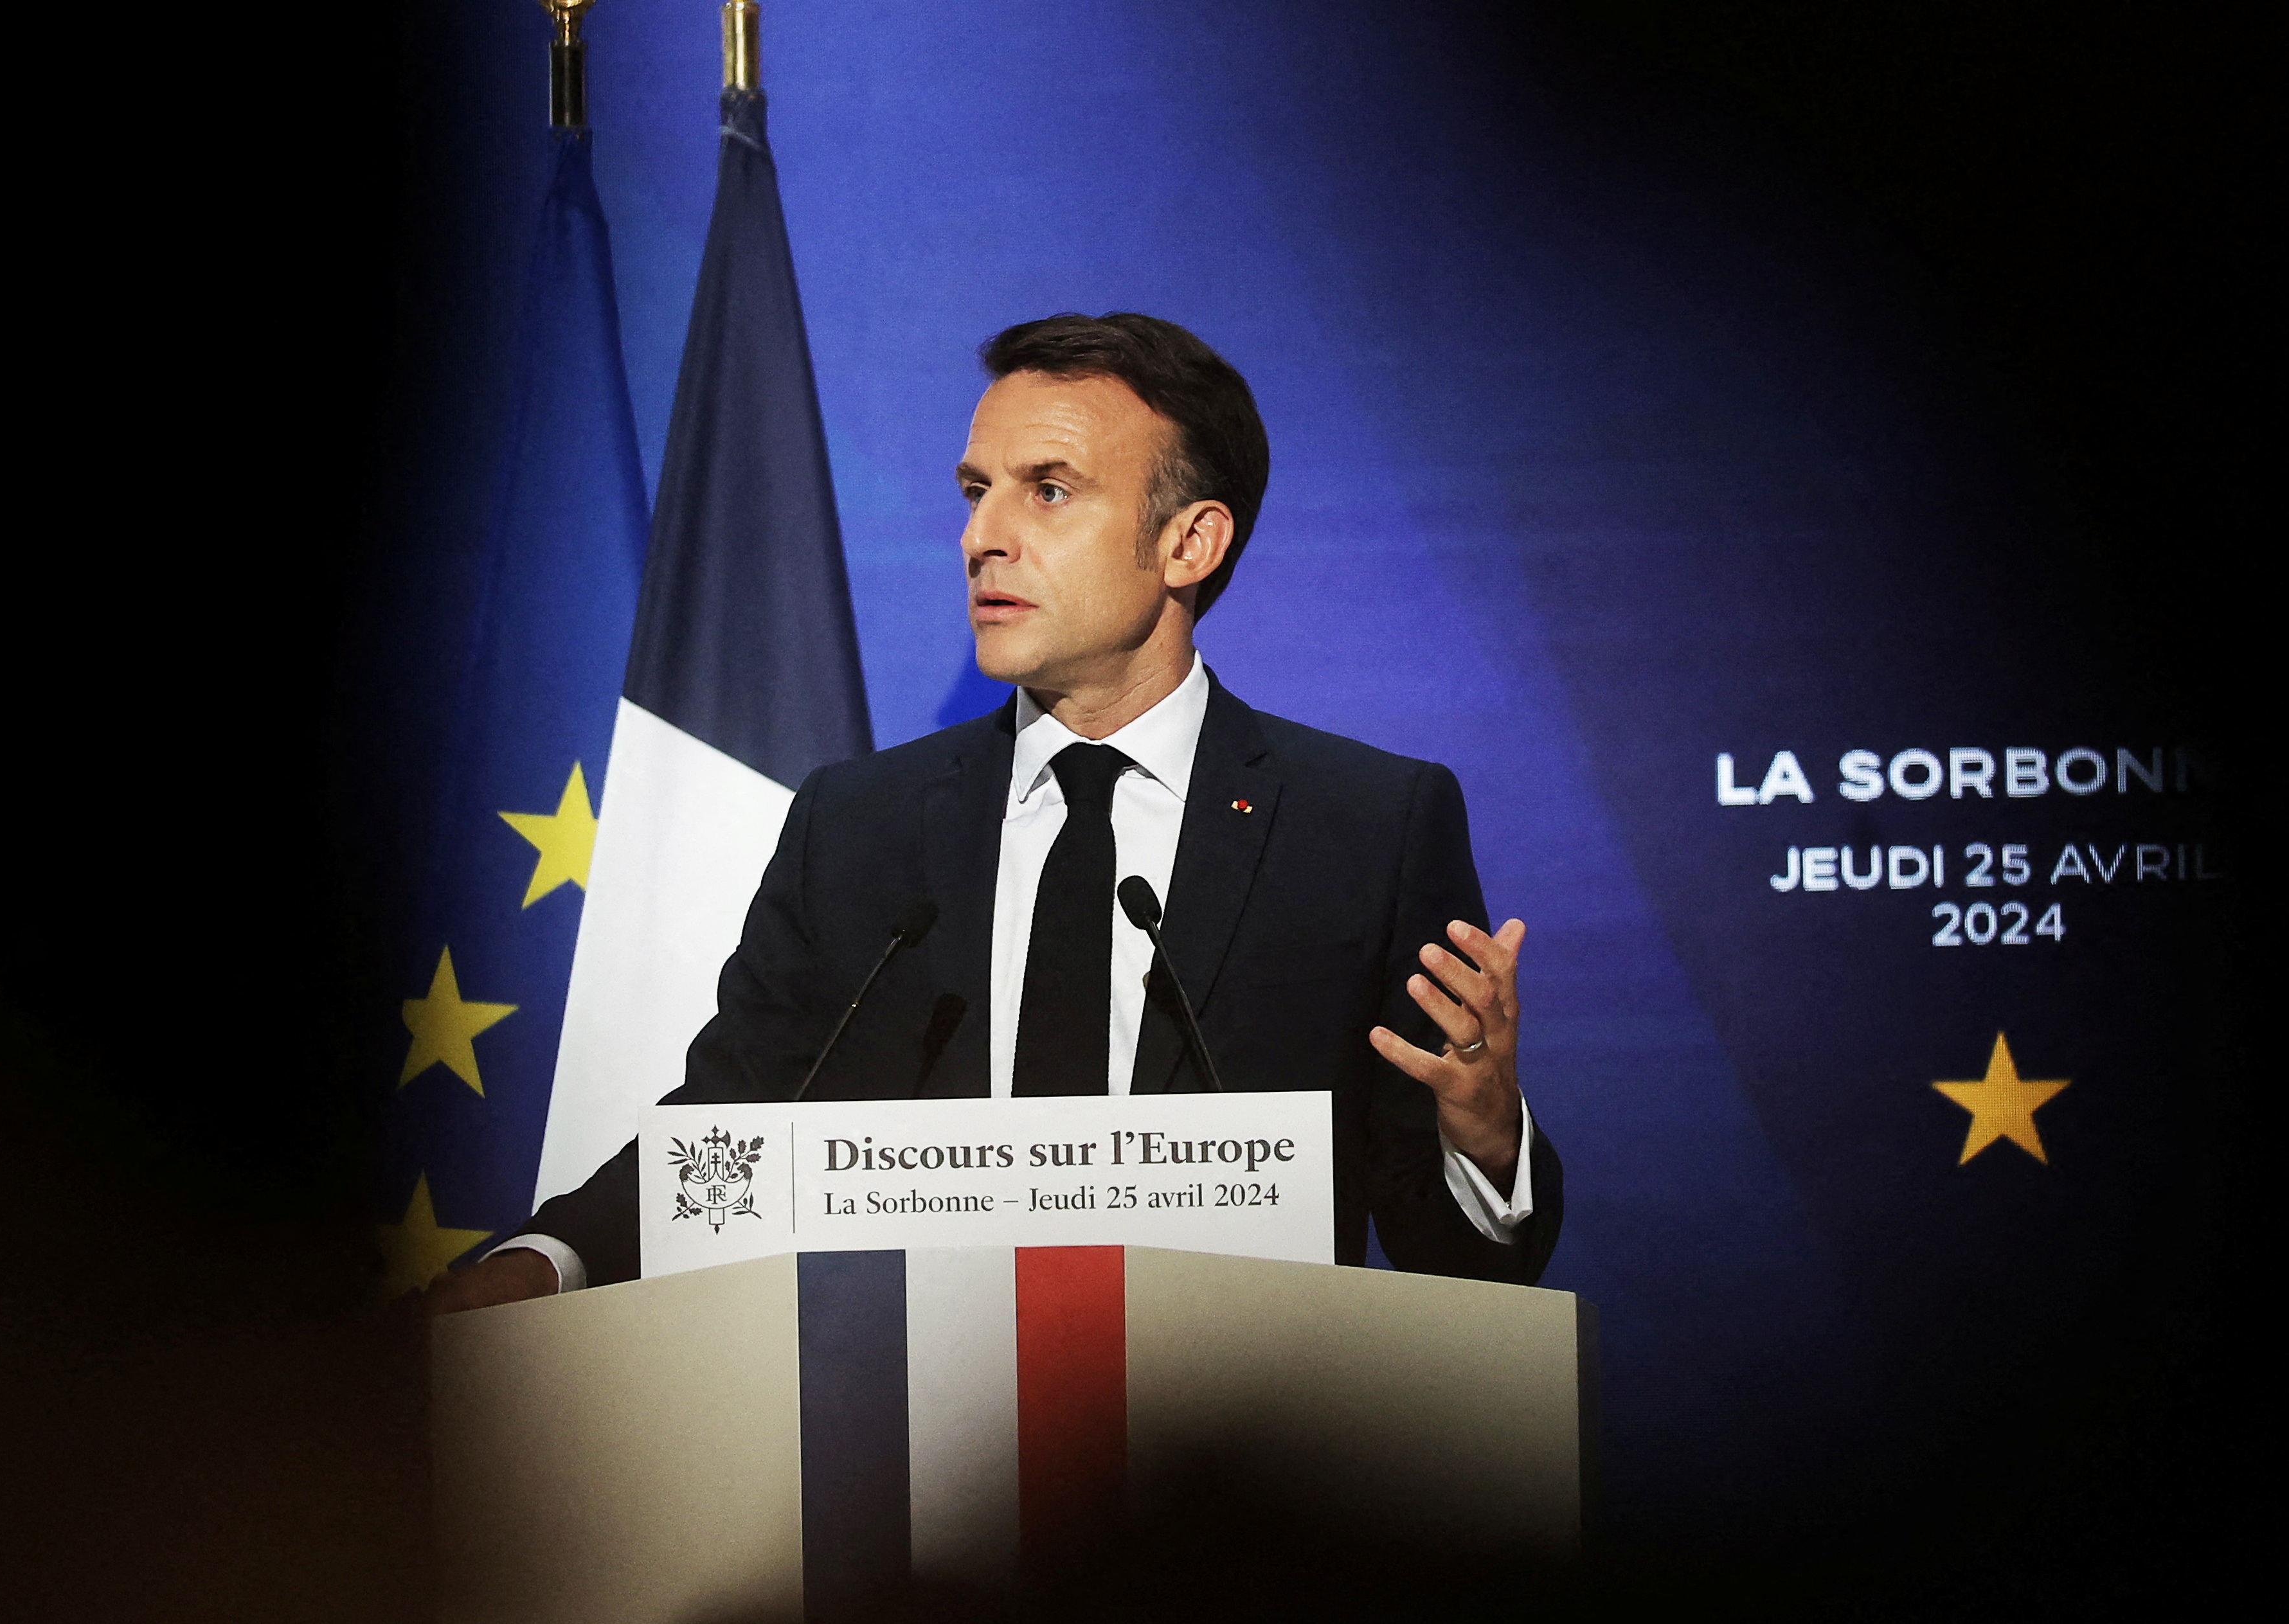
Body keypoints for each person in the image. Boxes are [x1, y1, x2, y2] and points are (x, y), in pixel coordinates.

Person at [431, 312, 1558, 1307]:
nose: (983, 536)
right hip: (906, 1477)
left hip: (1234, 1493)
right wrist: (546, 1260)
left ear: (1190, 541)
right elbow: (732, 1128)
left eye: (1049, 490)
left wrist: (1483, 1139)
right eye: (978, 491)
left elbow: (1462, 1267)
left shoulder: (1366, 827)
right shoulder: (860, 826)